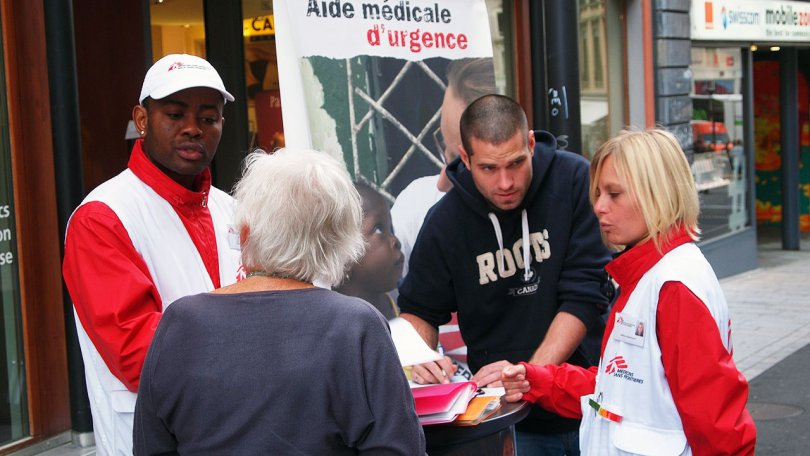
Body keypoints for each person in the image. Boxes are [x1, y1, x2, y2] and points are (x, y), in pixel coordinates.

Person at [133, 148, 426, 455]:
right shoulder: (356, 325)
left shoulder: (180, 323)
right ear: (339, 246)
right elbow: (399, 448)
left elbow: (150, 447)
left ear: (245, 235)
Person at [501, 129, 756, 454]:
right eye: (598, 193)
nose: (599, 207)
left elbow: (718, 424)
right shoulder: (653, 275)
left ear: (657, 195)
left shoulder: (672, 285)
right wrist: (539, 380)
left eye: (614, 194)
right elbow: (618, 386)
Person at [398, 94, 612, 454]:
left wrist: (529, 375)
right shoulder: (446, 222)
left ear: (530, 144)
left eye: (516, 163)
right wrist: (419, 355)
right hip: (511, 417)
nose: (506, 182)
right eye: (488, 169)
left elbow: (584, 294)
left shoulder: (574, 180)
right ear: (465, 159)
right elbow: (419, 308)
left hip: (589, 402)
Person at [62, 53, 242, 455]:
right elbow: (138, 353)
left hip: (238, 430)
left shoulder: (232, 210)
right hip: (151, 438)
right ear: (142, 120)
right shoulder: (103, 217)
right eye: (175, 114)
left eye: (208, 118)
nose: (193, 129)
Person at [391, 57, 496, 381]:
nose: (442, 181)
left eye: (461, 162)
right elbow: (391, 309)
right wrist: (411, 356)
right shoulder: (418, 204)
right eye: (446, 150)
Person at [336, 182, 405, 320]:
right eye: (379, 229)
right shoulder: (337, 325)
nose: (395, 241)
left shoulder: (402, 304)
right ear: (345, 257)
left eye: (391, 229)